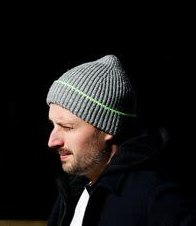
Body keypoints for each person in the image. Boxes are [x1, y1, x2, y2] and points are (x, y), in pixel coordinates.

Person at [46, 54, 196, 225]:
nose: (52, 141)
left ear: (107, 128)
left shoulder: (158, 198)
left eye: (67, 127)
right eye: (53, 125)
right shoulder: (72, 190)